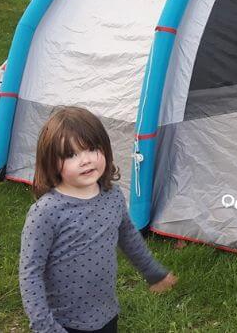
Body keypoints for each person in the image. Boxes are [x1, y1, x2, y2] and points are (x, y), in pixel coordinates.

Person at [19, 106, 177, 332]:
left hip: (106, 315)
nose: (85, 160)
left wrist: (153, 273)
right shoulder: (45, 212)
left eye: (92, 148)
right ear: (52, 162)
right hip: (62, 323)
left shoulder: (112, 196)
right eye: (71, 155)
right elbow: (30, 272)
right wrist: (45, 326)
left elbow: (129, 237)